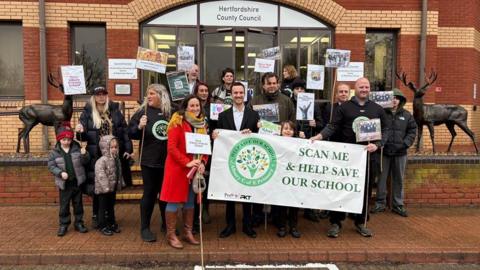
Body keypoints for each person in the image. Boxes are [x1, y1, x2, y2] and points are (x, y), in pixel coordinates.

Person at [311, 77, 388, 238]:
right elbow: (333, 126)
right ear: (356, 89)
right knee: (339, 188)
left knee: (365, 190)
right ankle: (335, 222)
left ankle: (361, 222)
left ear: (369, 89)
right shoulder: (344, 108)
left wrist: (378, 144)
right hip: (346, 158)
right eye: (361, 87)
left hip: (367, 156)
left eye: (367, 87)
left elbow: (386, 130)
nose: (364, 90)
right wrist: (319, 136)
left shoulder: (377, 109)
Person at [76, 86, 133, 229]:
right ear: (94, 97)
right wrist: (79, 131)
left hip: (113, 154)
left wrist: (128, 149)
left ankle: (109, 216)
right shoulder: (87, 113)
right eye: (98, 94)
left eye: (104, 94)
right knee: (98, 187)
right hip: (96, 156)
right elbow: (81, 136)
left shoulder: (115, 111)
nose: (101, 97)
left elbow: (124, 131)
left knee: (111, 185)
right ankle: (97, 216)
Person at [212, 82, 260, 239]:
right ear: (231, 95)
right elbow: (219, 138)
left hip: (248, 161)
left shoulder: (254, 115)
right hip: (230, 160)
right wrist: (215, 136)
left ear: (244, 94)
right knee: (230, 194)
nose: (238, 95)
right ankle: (230, 225)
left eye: (241, 93)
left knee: (247, 193)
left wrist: (253, 132)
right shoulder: (223, 115)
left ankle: (247, 225)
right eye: (235, 93)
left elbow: (260, 137)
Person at [160, 95, 209, 249]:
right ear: (185, 107)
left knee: (190, 201)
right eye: (192, 105)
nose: (195, 108)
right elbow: (171, 148)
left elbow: (205, 148)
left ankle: (188, 232)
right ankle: (171, 234)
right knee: (173, 200)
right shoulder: (177, 122)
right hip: (177, 168)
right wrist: (187, 162)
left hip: (195, 169)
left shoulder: (202, 124)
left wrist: (202, 162)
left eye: (197, 106)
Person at [248, 72, 295, 226]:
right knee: (259, 182)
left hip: (280, 149)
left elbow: (293, 123)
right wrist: (255, 124)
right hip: (260, 148)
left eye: (274, 83)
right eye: (269, 83)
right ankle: (257, 215)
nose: (272, 86)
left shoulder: (286, 101)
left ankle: (276, 215)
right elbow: (248, 122)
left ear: (278, 84)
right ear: (263, 85)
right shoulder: (255, 101)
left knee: (277, 183)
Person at [128, 84, 172, 242]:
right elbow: (130, 132)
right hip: (149, 160)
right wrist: (139, 126)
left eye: (152, 93)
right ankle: (145, 228)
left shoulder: (170, 112)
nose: (149, 96)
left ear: (161, 95)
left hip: (168, 161)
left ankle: (166, 225)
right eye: (148, 94)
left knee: (165, 195)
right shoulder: (143, 111)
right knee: (149, 194)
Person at [371, 88, 417, 217]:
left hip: (400, 153)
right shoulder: (381, 114)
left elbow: (412, 131)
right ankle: (380, 203)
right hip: (383, 152)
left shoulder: (407, 115)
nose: (394, 100)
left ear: (400, 101)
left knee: (399, 179)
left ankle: (398, 204)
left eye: (397, 98)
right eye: (392, 98)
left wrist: (405, 144)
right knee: (381, 178)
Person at [48, 123, 89, 237]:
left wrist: (85, 155)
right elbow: (51, 166)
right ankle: (64, 224)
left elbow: (85, 162)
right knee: (64, 205)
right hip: (65, 184)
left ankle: (79, 223)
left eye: (69, 139)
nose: (66, 142)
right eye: (64, 139)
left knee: (78, 204)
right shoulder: (54, 152)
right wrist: (60, 173)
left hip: (76, 182)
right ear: (59, 139)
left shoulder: (77, 148)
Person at [276, 121, 303, 238]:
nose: (288, 131)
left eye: (291, 129)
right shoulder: (276, 142)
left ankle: (293, 226)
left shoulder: (299, 143)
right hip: (280, 177)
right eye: (285, 129)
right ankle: (281, 226)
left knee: (293, 203)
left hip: (294, 178)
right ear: (281, 131)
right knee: (281, 203)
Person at [192, 81, 213, 230]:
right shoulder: (193, 108)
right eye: (201, 90)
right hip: (194, 149)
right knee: (195, 180)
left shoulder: (213, 108)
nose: (204, 92)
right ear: (196, 92)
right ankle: (194, 212)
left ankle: (205, 208)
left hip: (209, 148)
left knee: (206, 179)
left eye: (206, 90)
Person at [94, 135, 124, 236]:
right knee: (102, 207)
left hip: (112, 188)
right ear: (105, 148)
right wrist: (106, 187)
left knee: (111, 206)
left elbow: (118, 172)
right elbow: (100, 175)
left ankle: (111, 223)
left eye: (116, 147)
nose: (114, 149)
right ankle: (102, 225)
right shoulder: (101, 161)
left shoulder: (116, 159)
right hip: (103, 190)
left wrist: (120, 182)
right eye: (111, 147)